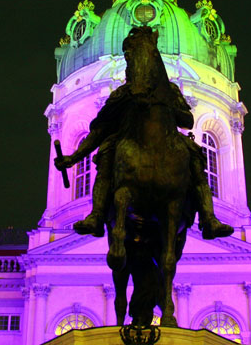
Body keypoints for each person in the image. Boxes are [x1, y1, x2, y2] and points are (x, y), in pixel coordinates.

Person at [54, 80, 233, 240]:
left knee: (195, 157)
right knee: (106, 153)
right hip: (124, 140)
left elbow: (187, 120)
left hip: (168, 138)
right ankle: (97, 214)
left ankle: (208, 217)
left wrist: (167, 106)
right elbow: (100, 130)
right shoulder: (122, 93)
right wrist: (73, 158)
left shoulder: (167, 88)